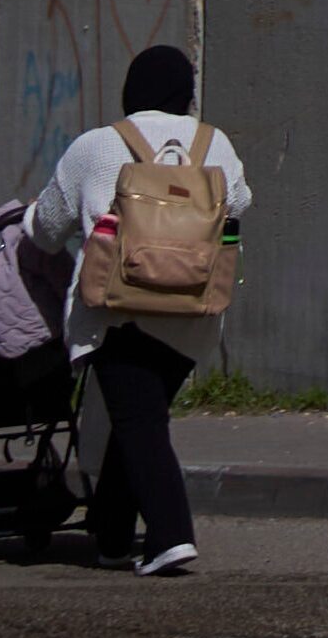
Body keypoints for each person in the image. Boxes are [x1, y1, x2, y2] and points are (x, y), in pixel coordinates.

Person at [28, 43, 248, 577]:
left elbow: (46, 229)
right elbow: (238, 203)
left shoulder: (97, 146)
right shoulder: (214, 143)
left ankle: (171, 535)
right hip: (192, 310)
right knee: (136, 417)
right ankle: (113, 536)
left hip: (119, 307)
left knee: (138, 420)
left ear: (132, 90)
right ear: (185, 94)